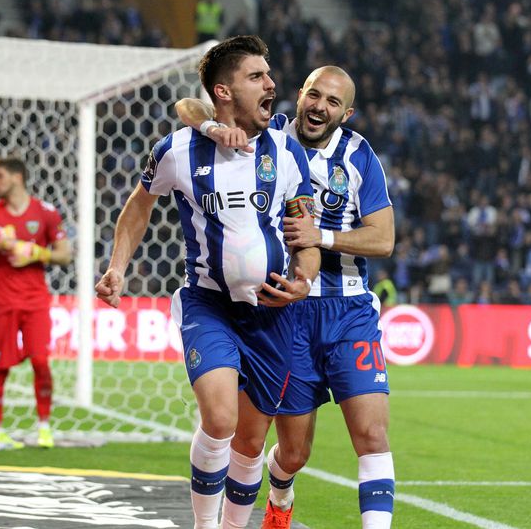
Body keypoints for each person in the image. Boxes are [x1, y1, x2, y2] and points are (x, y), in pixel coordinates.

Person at [95, 35, 320, 529]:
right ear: (224, 91)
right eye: (256, 76)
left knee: (251, 443)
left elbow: (305, 231)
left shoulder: (284, 149)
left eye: (269, 73)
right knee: (220, 420)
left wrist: (305, 278)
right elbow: (139, 205)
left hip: (274, 311)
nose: (271, 83)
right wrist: (118, 266)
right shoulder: (178, 149)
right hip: (208, 303)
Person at [177, 65, 396, 529]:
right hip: (284, 310)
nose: (320, 107)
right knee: (293, 453)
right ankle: (280, 490)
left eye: (333, 102)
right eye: (315, 95)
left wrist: (325, 237)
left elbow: (383, 239)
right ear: (300, 95)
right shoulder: (269, 132)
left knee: (373, 434)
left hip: (348, 309)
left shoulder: (359, 155)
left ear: (347, 112)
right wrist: (213, 126)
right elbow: (188, 107)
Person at [0, 157, 72, 450]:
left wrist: (36, 252)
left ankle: (44, 427)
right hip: (2, 303)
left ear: (16, 177)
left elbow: (65, 254)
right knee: (1, 367)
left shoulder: (45, 213)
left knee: (40, 362)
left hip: (36, 302)